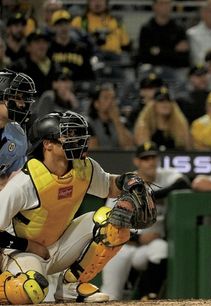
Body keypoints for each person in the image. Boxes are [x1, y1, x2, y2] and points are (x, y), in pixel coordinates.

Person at [0, 111, 155, 304]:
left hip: (60, 245)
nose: (77, 140)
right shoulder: (25, 182)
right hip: (23, 252)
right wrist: (29, 246)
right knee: (30, 291)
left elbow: (108, 185)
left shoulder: (84, 167)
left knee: (110, 223)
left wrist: (128, 182)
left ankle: (70, 286)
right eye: (67, 136)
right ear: (47, 144)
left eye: (76, 134)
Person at [102, 141, 190, 300]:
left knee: (161, 249)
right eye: (145, 158)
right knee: (111, 294)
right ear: (137, 161)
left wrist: (149, 197)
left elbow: (183, 184)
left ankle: (148, 296)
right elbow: (110, 222)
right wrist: (138, 238)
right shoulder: (125, 182)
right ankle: (130, 285)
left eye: (153, 157)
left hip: (148, 247)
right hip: (122, 246)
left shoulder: (165, 176)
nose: (150, 162)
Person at [0, 69, 36, 190]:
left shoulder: (18, 134)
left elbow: (17, 181)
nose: (22, 105)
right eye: (17, 97)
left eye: (24, 99)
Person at [134, 86, 192, 151]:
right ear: (153, 104)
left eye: (168, 100)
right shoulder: (144, 126)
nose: (165, 104)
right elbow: (143, 152)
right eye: (161, 101)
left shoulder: (181, 126)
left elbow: (188, 151)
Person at [137, 0, 190, 69]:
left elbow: (184, 58)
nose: (165, 6)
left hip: (175, 69)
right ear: (154, 6)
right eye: (162, 3)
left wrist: (158, 51)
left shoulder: (179, 29)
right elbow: (145, 56)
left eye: (168, 3)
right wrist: (173, 50)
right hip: (152, 69)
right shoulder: (147, 29)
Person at [48, 10, 95, 82]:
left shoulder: (81, 48)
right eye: (60, 24)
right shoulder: (49, 48)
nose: (63, 28)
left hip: (77, 87)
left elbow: (89, 74)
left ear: (70, 26)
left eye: (66, 24)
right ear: (53, 27)